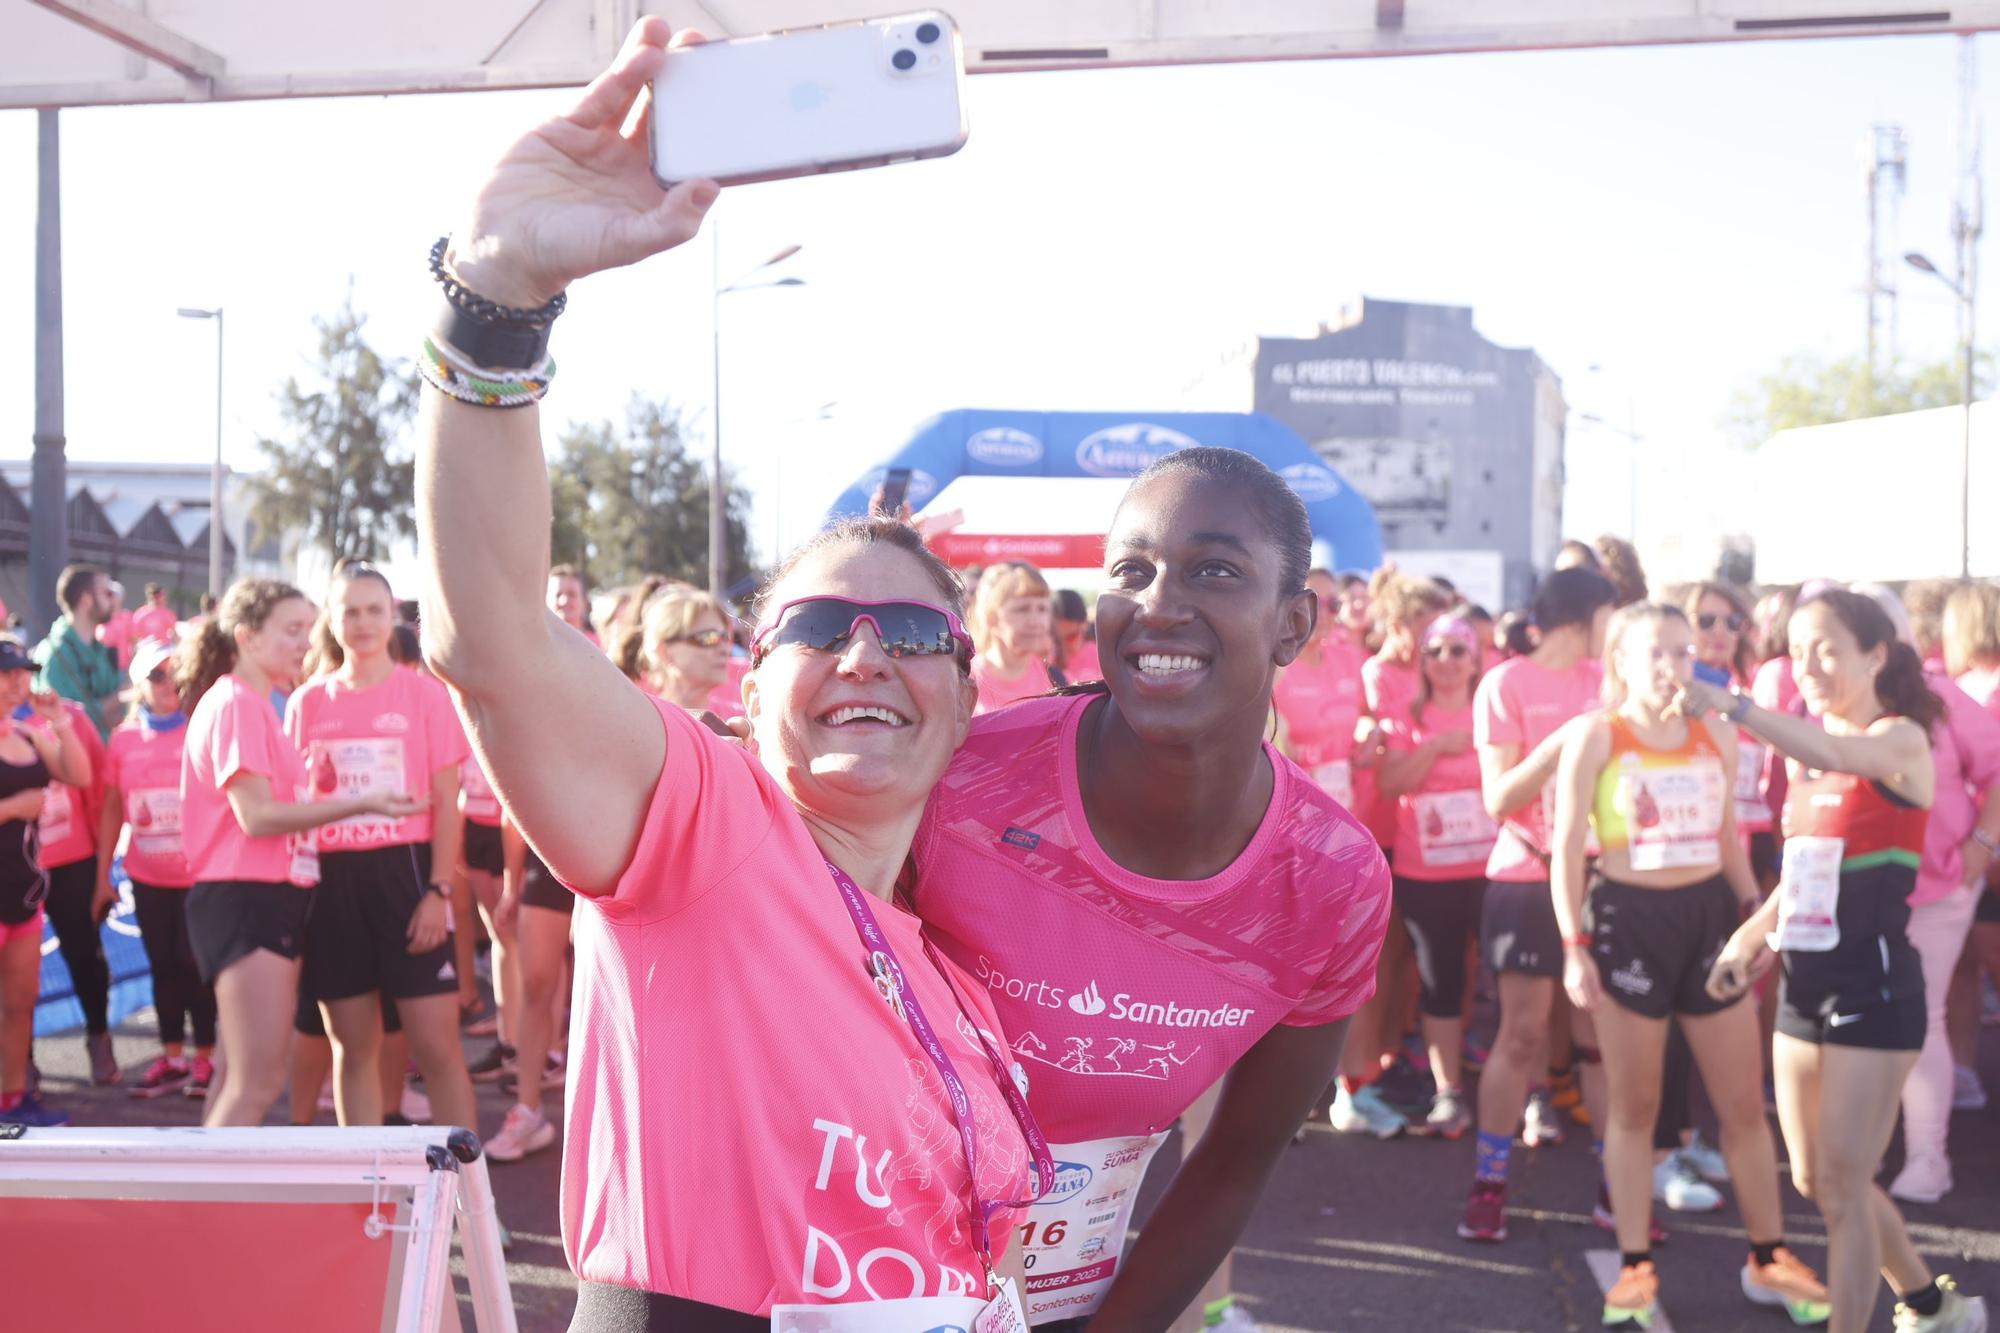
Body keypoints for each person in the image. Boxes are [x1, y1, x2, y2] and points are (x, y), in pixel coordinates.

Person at [417, 27, 1048, 1319]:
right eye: (817, 629)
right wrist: (494, 305)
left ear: (967, 696)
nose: (866, 651)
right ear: (750, 690)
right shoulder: (710, 830)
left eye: (914, 634)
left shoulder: (951, 971)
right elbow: (492, 641)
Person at [912, 447, 1392, 1330]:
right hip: (847, 1284)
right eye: (1130, 570)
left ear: (1294, 624)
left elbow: (1234, 1161)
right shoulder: (955, 782)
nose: (1159, 604)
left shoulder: (1334, 879)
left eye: (1214, 569)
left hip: (1071, 1304)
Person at [1694, 590, 1987, 1333]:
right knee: (1815, 1176)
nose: (1810, 665)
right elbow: (1804, 871)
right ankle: (1932, 1304)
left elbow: (1832, 750)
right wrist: (1752, 937)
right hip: (1806, 984)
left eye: (1827, 648)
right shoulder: (1808, 752)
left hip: (1876, 986)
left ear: (1875, 655)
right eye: (1797, 650)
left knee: (1847, 1184)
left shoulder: (1900, 739)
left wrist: (1731, 705)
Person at [1550, 603, 1830, 1327]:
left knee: (1741, 1106)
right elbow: (1564, 852)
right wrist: (1573, 949)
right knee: (1636, 1109)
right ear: (1622, 663)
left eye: (1684, 651)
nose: (1675, 666)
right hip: (1627, 924)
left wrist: (1751, 907)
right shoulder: (1595, 735)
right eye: (1657, 654)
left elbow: (1728, 835)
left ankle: (1769, 1257)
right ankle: (1636, 1271)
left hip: (1708, 919)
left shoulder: (1715, 732)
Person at [179, 578, 423, 1128]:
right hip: (247, 901)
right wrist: (361, 804)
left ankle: (206, 1206)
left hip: (262, 899)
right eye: (291, 631)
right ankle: (207, 1212)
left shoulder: (257, 704)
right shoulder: (238, 704)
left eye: (306, 631)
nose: (304, 644)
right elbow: (258, 816)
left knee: (235, 1077)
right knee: (256, 1082)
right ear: (246, 636)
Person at [284, 563, 477, 1131]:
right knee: (353, 1049)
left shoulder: (424, 696)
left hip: (409, 878)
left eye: (374, 610)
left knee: (439, 1053)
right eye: (350, 611)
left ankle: (473, 1207)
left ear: (392, 615)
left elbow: (448, 803)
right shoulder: (307, 703)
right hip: (333, 886)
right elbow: (296, 809)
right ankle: (365, 1200)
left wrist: (440, 891)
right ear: (332, 619)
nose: (363, 623)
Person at [1459, 565, 1618, 1242]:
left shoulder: (1608, 680)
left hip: (1603, 879)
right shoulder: (1505, 683)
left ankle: (1622, 1186)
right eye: (1611, 617)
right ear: (1582, 619)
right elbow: (1498, 800)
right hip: (1525, 877)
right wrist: (1563, 742)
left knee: (1601, 1039)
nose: (1617, 631)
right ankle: (1490, 1182)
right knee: (1522, 1033)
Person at [1853, 586, 2000, 1207]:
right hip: (1856, 891)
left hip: (1938, 886)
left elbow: (1995, 769)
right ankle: (1867, 1145)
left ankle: (1926, 1156)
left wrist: (1982, 844)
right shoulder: (1828, 709)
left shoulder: (1942, 699)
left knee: (1920, 1013)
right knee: (1867, 1016)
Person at [1375, 614, 1496, 1139]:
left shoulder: (1491, 711)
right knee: (1439, 980)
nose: (1446, 661)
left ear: (1475, 660)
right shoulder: (1408, 715)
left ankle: (1530, 1086)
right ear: (1422, 661)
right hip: (1426, 870)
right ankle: (1449, 1092)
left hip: (1493, 869)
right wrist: (1432, 749)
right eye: (1436, 651)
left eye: (1457, 650)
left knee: (1510, 980)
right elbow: (1388, 782)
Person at [98, 637, 217, 1098]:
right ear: (140, 685)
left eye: (173, 672)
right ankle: (171, 1057)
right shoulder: (124, 738)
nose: (166, 683)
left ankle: (205, 1058)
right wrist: (102, 874)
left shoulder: (200, 727)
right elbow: (112, 807)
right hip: (147, 876)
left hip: (198, 876)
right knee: (163, 966)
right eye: (156, 675)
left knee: (194, 965)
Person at [0, 637, 91, 1127]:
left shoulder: (28, 735)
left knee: (19, 1004)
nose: (18, 682)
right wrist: (13, 808)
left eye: (23, 673)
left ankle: (12, 1098)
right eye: (7, 673)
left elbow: (78, 774)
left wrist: (58, 720)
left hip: (24, 895)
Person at [20, 633, 115, 1085]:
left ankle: (99, 1039)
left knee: (86, 958)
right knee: (14, 973)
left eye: (21, 671)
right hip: (13, 869)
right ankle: (21, 1060)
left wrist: (102, 870)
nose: (12, 682)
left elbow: (94, 789)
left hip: (73, 861)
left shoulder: (68, 714)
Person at [1941, 583, 2000, 1115]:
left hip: (1975, 847)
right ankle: (1960, 1075)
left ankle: (1961, 1073)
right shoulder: (1959, 689)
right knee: (1965, 965)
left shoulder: (1964, 691)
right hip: (1976, 849)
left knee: (1966, 965)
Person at [484, 818, 571, 1163]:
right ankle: (528, 1109)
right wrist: (510, 883)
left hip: (620, 847)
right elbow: (513, 809)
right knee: (535, 981)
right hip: (552, 851)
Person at [33, 563, 124, 742]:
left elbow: (118, 717)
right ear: (86, 599)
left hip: (103, 758)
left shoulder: (101, 650)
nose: (113, 600)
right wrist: (117, 699)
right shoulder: (55, 654)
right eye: (107, 593)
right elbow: (66, 720)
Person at [625, 585, 734, 714]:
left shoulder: (741, 722)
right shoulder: (643, 719)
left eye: (725, 637)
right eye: (708, 638)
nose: (725, 650)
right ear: (664, 652)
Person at [970, 560, 1058, 712]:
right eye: (1022, 609)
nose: (1036, 621)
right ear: (992, 617)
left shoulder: (1054, 678)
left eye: (1042, 609)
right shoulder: (966, 680)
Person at [1052, 588, 1101, 683]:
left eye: (1070, 637)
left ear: (1085, 624)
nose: (1063, 646)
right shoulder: (1045, 657)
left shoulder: (1099, 656)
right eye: (1056, 640)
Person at [548, 563, 599, 648]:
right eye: (558, 595)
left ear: (584, 601)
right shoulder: (534, 643)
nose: (564, 601)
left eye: (572, 594)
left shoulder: (600, 645)